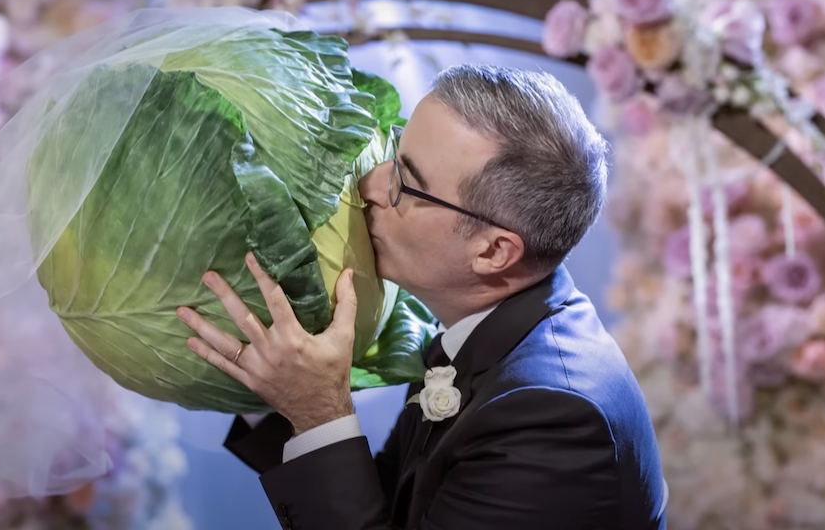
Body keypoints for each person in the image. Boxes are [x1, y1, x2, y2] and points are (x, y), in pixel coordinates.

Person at [176, 64, 668, 530]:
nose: (368, 185)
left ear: (494, 251)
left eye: (404, 184)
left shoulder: (555, 417)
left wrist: (319, 412)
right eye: (393, 151)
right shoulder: (481, 334)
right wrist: (280, 388)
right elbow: (390, 503)